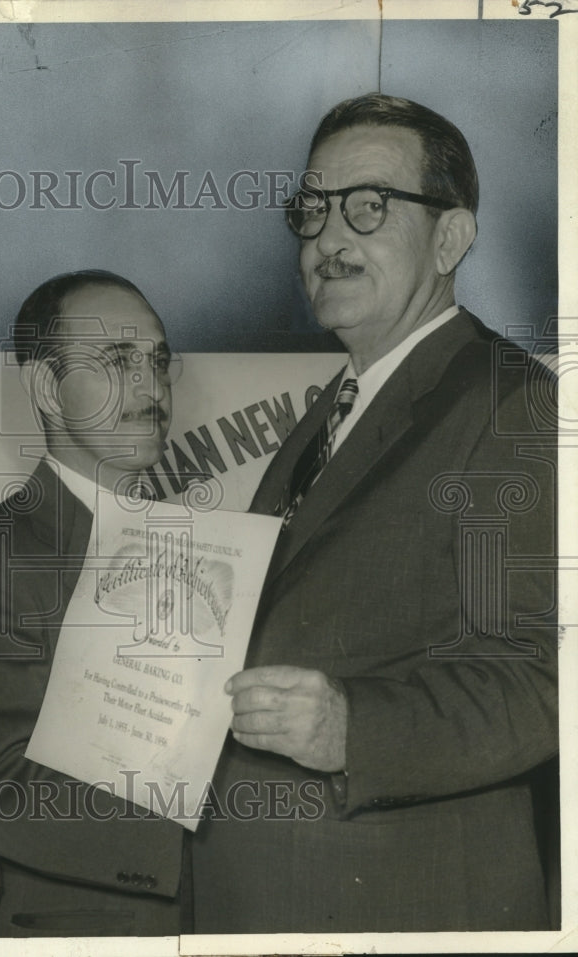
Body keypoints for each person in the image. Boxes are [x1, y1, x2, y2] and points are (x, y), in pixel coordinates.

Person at [193, 94, 558, 932]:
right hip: (273, 896)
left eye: (368, 205)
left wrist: (356, 726)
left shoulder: (512, 404)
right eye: (312, 210)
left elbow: (546, 679)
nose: (328, 238)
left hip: (406, 902)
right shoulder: (334, 409)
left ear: (452, 237)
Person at [0, 270, 189, 936]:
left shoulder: (200, 550)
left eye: (158, 361)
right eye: (119, 360)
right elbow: (2, 790)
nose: (153, 387)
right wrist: (218, 830)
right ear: (47, 387)